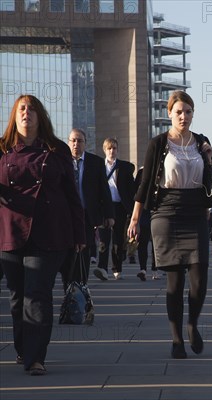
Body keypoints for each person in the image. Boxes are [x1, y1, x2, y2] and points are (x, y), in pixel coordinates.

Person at [0, 95, 85, 375]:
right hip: (10, 229)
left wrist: (79, 233)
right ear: (14, 115)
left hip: (49, 230)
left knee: (37, 293)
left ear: (41, 116)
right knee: (17, 295)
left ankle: (36, 357)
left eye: (32, 109)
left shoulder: (57, 149)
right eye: (22, 109)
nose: (27, 113)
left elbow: (73, 195)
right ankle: (24, 348)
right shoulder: (2, 149)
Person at [127, 90, 212, 359]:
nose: (183, 116)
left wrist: (210, 157)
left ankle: (192, 324)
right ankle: (176, 339)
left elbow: (210, 177)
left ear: (193, 113)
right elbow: (145, 182)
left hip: (196, 212)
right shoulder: (158, 143)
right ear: (169, 114)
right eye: (178, 112)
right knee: (175, 283)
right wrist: (134, 218)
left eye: (188, 111)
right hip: (166, 212)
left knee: (200, 279)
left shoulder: (202, 142)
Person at [63, 128, 114, 286]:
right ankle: (69, 285)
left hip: (86, 215)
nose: (76, 144)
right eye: (73, 140)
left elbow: (104, 190)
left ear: (85, 143)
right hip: (65, 215)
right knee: (68, 252)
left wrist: (109, 215)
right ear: (68, 143)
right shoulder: (61, 160)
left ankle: (81, 287)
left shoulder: (95, 162)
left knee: (84, 250)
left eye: (80, 141)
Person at [95, 137, 135, 280]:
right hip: (104, 206)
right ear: (104, 150)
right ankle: (102, 268)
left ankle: (117, 269)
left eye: (114, 148)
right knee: (104, 239)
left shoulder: (124, 167)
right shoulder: (99, 166)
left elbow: (131, 189)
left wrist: (132, 208)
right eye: (109, 148)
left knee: (118, 239)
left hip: (120, 207)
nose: (112, 151)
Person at [133, 167, 159, 280]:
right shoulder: (142, 172)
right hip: (144, 211)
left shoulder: (163, 168)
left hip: (157, 210)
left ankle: (155, 268)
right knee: (142, 241)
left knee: (156, 243)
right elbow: (136, 191)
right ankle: (142, 269)